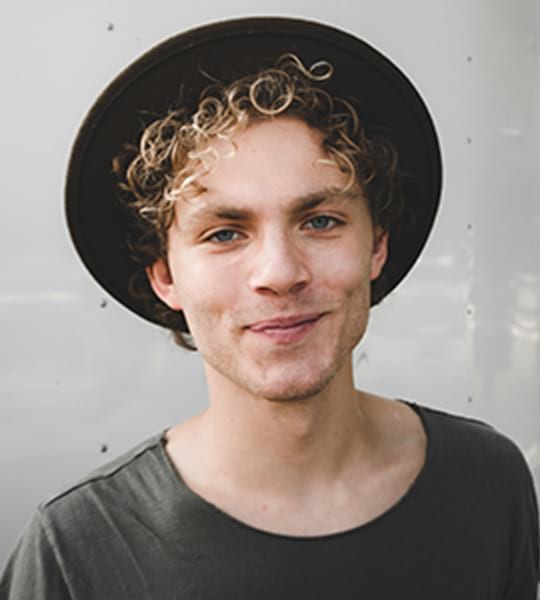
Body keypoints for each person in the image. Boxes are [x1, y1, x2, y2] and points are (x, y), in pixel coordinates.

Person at [1, 17, 538, 599]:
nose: (280, 273)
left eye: (321, 221)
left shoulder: (488, 482)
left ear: (377, 246)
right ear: (165, 276)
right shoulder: (77, 551)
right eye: (224, 234)